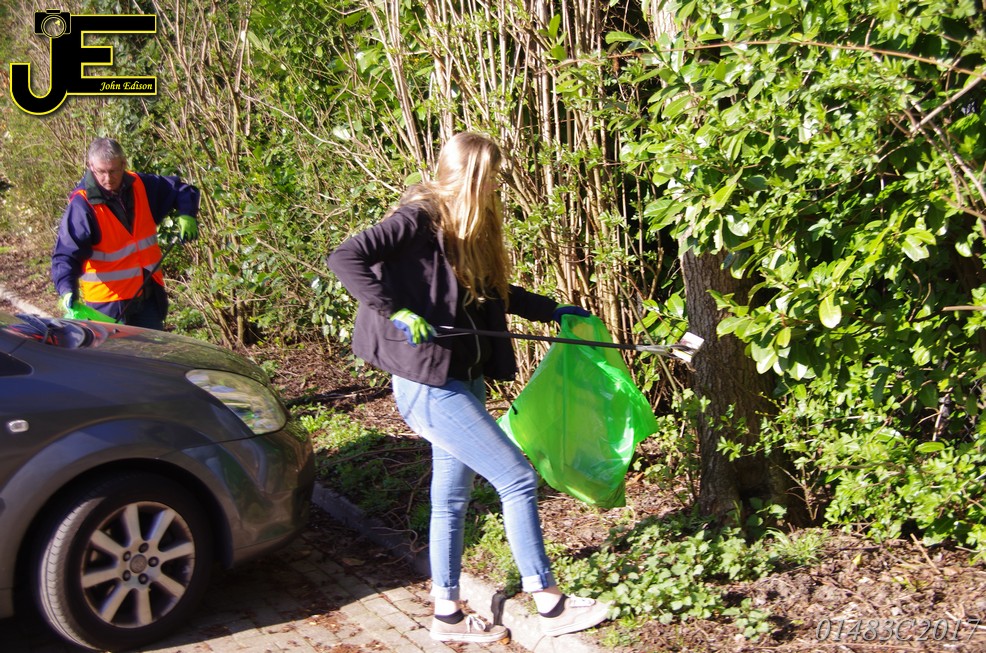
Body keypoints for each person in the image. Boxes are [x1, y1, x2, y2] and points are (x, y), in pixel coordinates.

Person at [328, 132, 610, 643]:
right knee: (517, 478)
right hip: (428, 383)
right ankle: (548, 602)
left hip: (463, 377)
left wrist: (552, 310)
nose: (497, 187)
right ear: (471, 177)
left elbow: (492, 292)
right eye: (492, 178)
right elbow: (345, 257)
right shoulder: (415, 220)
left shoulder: (469, 227)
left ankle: (448, 615)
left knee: (451, 499)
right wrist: (396, 311)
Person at [51, 137, 200, 330]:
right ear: (90, 166)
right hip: (107, 307)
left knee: (152, 350)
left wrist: (187, 213)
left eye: (113, 171)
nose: (108, 178)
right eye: (101, 172)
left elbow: (182, 190)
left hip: (148, 296)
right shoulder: (82, 205)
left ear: (123, 164)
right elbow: (66, 254)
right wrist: (67, 290)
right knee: (116, 352)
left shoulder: (142, 185)